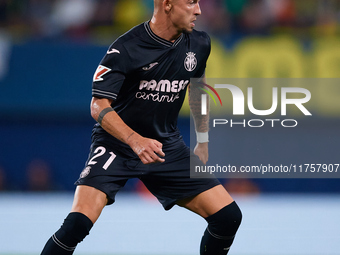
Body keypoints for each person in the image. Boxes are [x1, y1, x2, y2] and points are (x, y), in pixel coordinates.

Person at [40, 0, 242, 254]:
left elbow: (197, 90)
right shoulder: (126, 47)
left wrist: (202, 140)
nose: (199, 10)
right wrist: (135, 140)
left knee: (228, 217)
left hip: (164, 146)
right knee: (77, 224)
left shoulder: (200, 43)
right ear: (167, 4)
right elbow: (98, 104)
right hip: (117, 145)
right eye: (191, 2)